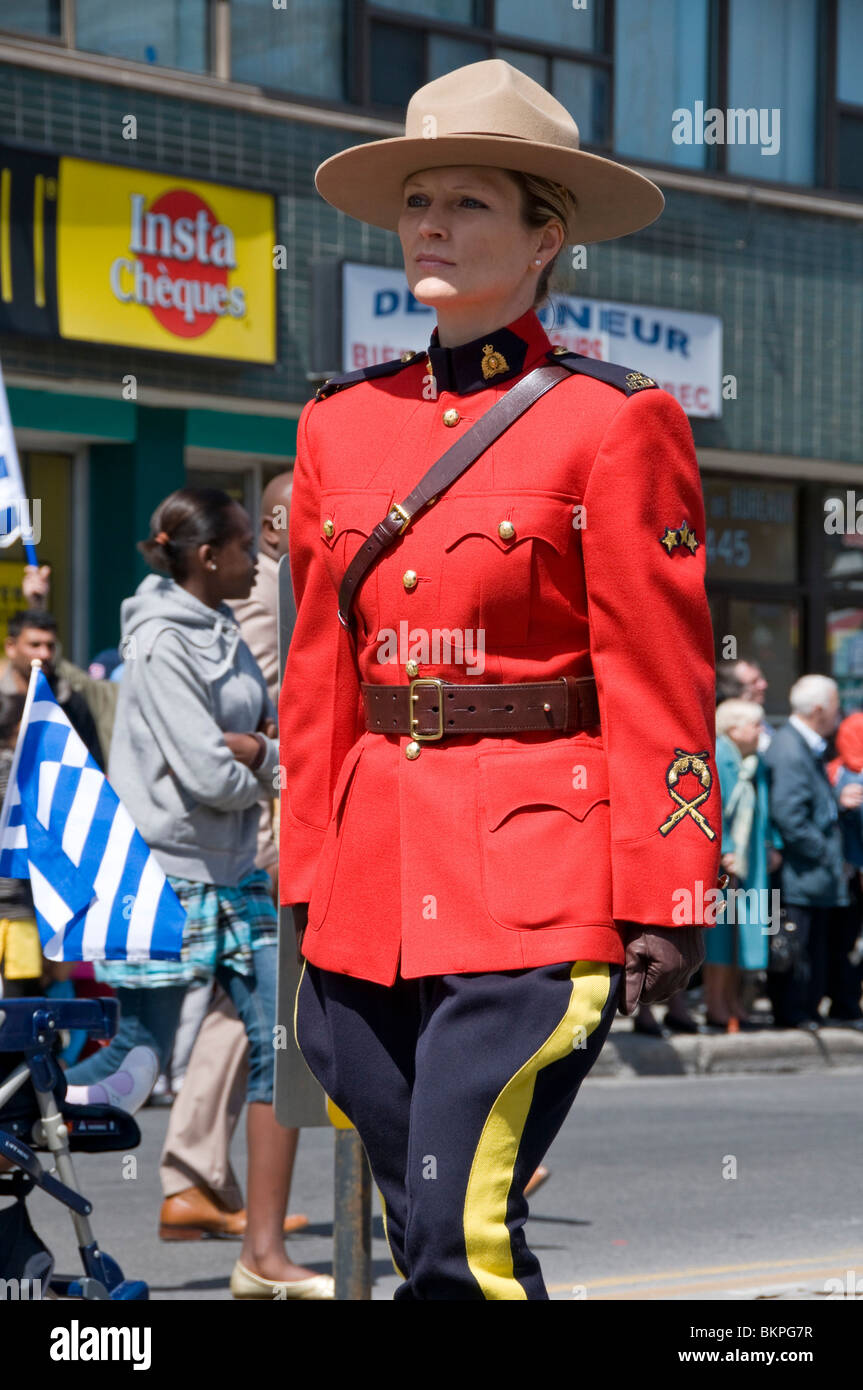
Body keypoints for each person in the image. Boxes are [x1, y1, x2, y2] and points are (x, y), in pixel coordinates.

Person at [279, 59, 722, 1300]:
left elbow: (659, 673)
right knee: (442, 1235)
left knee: (452, 1247)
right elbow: (318, 674)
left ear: (544, 238)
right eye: (416, 200)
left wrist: (667, 898)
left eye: (467, 202)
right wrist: (302, 880)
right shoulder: (335, 424)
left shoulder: (612, 420)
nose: (428, 223)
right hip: (367, 888)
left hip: (537, 883)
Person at [65, 487, 332, 1298]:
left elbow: (246, 743)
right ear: (207, 557)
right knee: (134, 1058)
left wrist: (254, 746)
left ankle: (263, 1258)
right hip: (170, 872)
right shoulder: (159, 641)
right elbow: (206, 771)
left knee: (279, 1044)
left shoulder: (222, 629)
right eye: (247, 545)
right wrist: (270, 762)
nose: (259, 559)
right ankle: (28, 1114)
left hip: (235, 873)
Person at [158, 472, 309, 1241]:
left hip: (256, 820)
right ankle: (196, 1178)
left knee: (238, 1008)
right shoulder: (258, 601)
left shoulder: (273, 587)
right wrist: (270, 770)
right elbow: (225, 726)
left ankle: (195, 1176)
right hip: (257, 827)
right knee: (252, 1008)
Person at [763, 675, 861, 1030]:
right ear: (820, 708)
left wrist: (836, 802)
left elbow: (808, 805)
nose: (840, 713)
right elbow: (790, 817)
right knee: (796, 946)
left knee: (811, 947)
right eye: (836, 704)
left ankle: (804, 1010)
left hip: (810, 875)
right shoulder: (791, 748)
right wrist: (827, 854)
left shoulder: (805, 744)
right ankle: (794, 1012)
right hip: (800, 876)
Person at [706, 699, 782, 1031]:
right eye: (755, 724)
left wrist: (771, 844)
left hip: (751, 861)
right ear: (734, 728)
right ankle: (716, 1005)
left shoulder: (753, 761)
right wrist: (728, 848)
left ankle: (734, 1001)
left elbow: (765, 811)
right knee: (722, 936)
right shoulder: (720, 755)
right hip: (726, 864)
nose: (761, 731)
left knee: (745, 931)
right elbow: (713, 806)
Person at [0, 610, 104, 768]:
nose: (44, 653)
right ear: (11, 647)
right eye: (34, 645)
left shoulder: (70, 701)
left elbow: (92, 765)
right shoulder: (2, 701)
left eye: (50, 646)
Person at [824, 712, 863, 1027]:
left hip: (843, 871)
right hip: (853, 871)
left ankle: (843, 1000)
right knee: (848, 941)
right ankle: (846, 1003)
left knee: (842, 939)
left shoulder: (835, 771)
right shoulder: (856, 776)